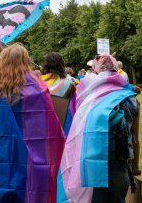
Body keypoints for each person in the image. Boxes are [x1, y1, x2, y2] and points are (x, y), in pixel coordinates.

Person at [0, 43, 65, 203]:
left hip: (1, 150)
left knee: (1, 186)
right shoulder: (38, 89)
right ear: (26, 60)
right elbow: (50, 122)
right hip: (31, 153)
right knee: (28, 189)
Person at [57, 53, 138, 203]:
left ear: (97, 71)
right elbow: (134, 136)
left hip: (92, 162)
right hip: (120, 161)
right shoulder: (130, 97)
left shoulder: (89, 96)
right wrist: (134, 166)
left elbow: (77, 133)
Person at [40, 52, 76, 135]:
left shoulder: (37, 83)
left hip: (43, 128)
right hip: (62, 129)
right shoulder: (69, 85)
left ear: (45, 65)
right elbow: (74, 109)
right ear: (62, 65)